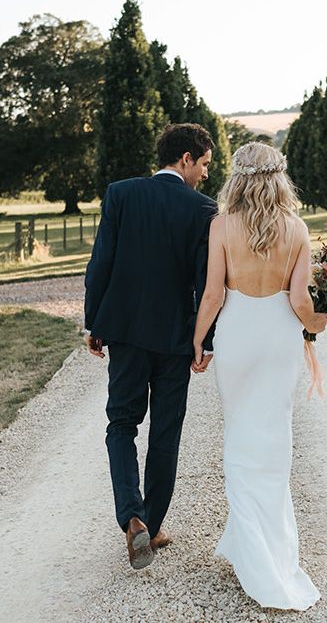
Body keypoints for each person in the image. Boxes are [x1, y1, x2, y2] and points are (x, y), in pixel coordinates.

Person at [192, 142, 327, 610]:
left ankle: (252, 548)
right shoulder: (297, 228)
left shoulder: (222, 226)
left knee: (241, 438)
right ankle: (258, 547)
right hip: (278, 340)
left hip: (238, 338)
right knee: (273, 439)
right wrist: (320, 322)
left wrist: (198, 340)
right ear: (279, 178)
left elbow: (212, 295)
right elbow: (301, 304)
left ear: (239, 179)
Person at [84, 123, 218, 569]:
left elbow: (101, 261)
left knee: (120, 424)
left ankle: (133, 518)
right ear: (185, 159)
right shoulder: (203, 208)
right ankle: (154, 524)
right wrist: (205, 340)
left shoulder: (120, 193)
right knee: (166, 431)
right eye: (202, 164)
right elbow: (205, 283)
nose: (203, 174)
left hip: (124, 331)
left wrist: (95, 324)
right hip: (176, 338)